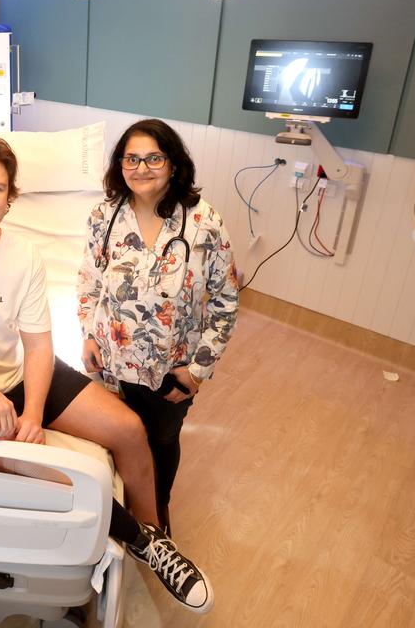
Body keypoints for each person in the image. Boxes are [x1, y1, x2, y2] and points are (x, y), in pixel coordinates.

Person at [0, 138, 213, 614]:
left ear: (10, 197)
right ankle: (137, 538)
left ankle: (155, 543)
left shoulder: (23, 255)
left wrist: (33, 411)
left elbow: (36, 346)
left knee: (130, 430)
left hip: (19, 377)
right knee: (61, 474)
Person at [79, 119, 238, 536]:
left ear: (172, 163)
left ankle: (156, 514)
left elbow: (225, 301)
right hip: (111, 365)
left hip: (170, 372)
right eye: (131, 158)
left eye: (153, 157)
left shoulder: (204, 224)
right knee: (115, 439)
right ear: (119, 164)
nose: (141, 167)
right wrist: (89, 334)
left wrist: (197, 369)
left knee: (162, 441)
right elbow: (88, 281)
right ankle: (119, 516)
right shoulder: (105, 216)